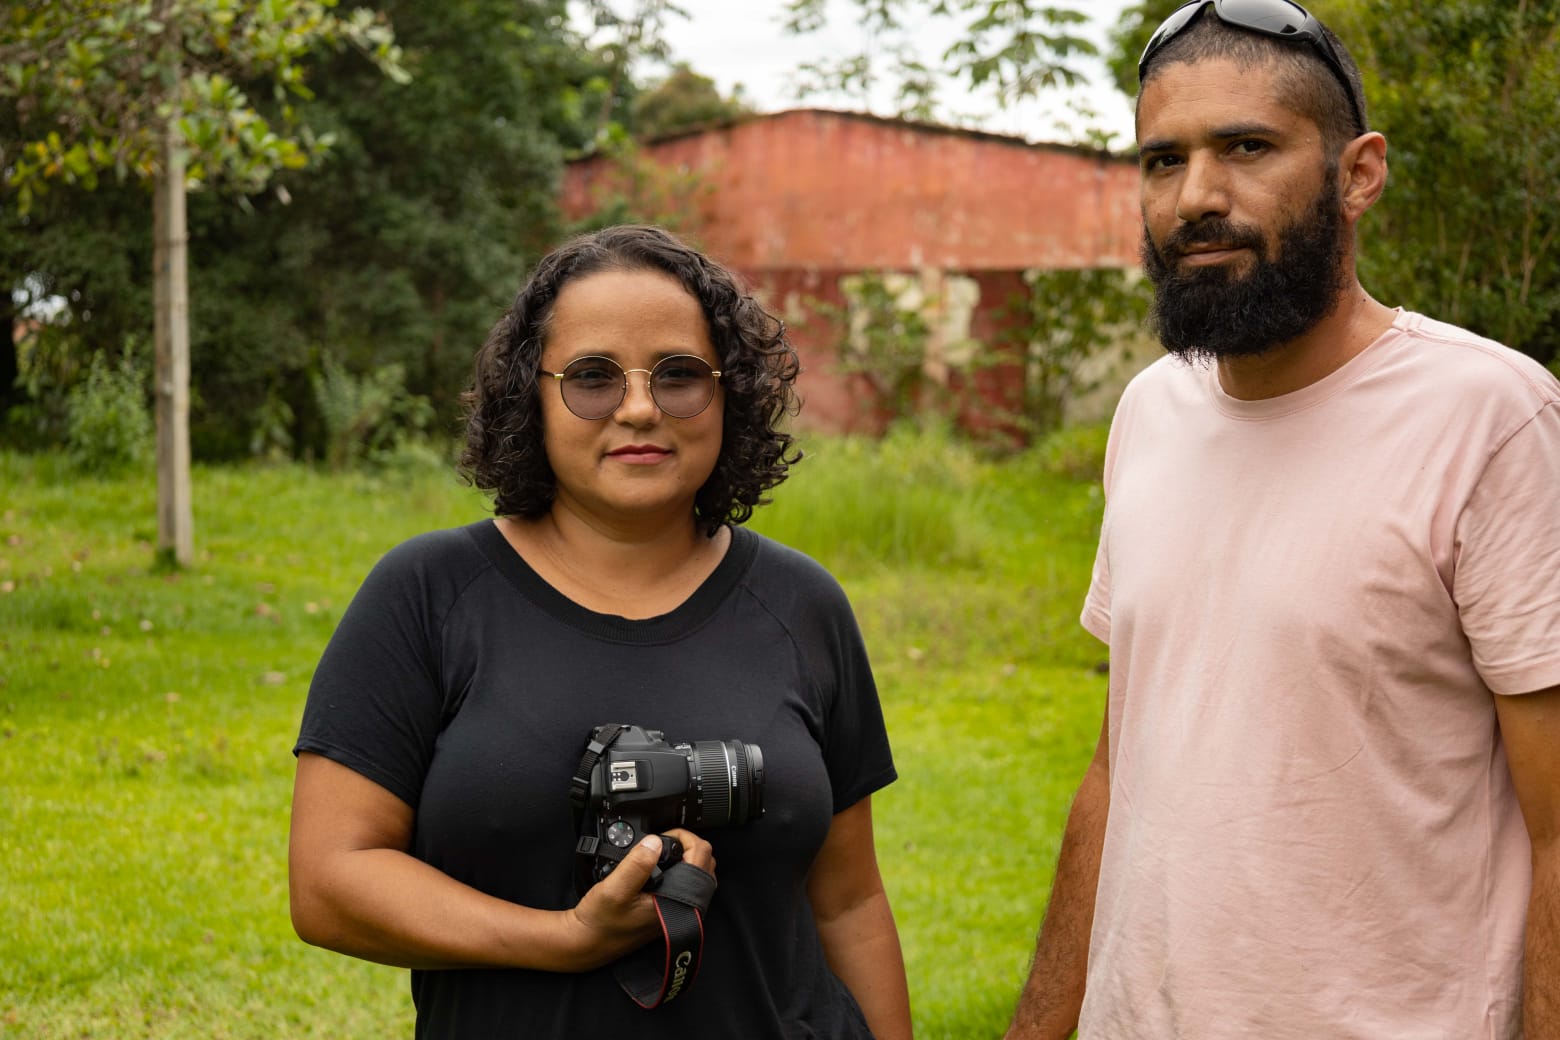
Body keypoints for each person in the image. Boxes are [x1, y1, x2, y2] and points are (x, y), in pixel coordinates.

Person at [1004, 2, 1560, 1037]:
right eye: (1162, 161)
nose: (1196, 198)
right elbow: (1122, 763)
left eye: (1247, 147)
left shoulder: (1490, 417)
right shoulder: (1151, 411)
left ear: (1360, 172)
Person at [288, 224, 913, 1039]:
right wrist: (565, 940)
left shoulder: (802, 605)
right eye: (592, 377)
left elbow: (851, 901)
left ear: (732, 392)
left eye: (681, 375)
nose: (641, 406)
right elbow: (330, 883)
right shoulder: (429, 595)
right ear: (531, 396)